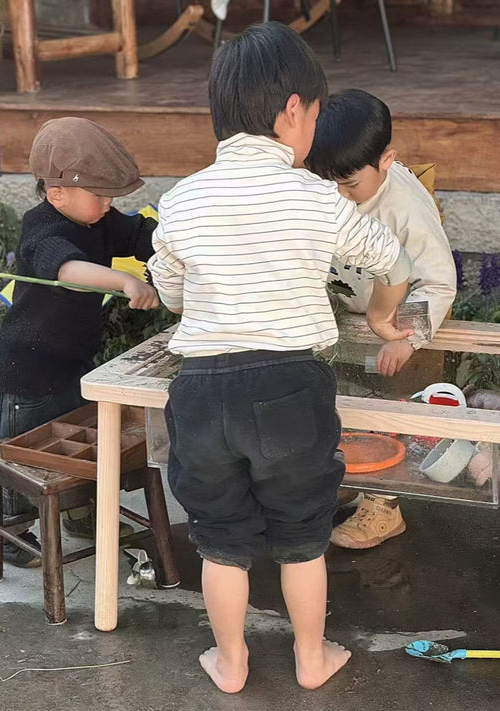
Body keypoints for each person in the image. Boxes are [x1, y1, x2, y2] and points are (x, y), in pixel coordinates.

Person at [148, 22, 413, 693]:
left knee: (220, 537)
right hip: (290, 385)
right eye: (316, 116)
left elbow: (170, 290)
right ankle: (310, 657)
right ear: (293, 110)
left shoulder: (180, 201)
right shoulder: (316, 197)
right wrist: (382, 317)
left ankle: (231, 661)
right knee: (301, 534)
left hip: (203, 389)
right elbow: (394, 261)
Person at [0, 117, 159, 568]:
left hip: (73, 361)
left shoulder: (99, 218)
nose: (107, 204)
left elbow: (139, 235)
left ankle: (80, 513)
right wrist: (124, 280)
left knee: (78, 444)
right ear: (57, 193)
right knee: (23, 455)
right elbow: (67, 270)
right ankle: (13, 532)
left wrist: (171, 247)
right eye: (99, 195)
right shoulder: (42, 227)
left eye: (111, 196)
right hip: (26, 368)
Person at [306, 89, 457, 550]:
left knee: (391, 414)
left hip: (400, 323)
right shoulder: (330, 185)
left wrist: (405, 338)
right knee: (337, 407)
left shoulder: (406, 206)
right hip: (346, 319)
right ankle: (347, 478)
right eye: (328, 182)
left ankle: (384, 507)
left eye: (350, 185)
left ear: (386, 160)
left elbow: (437, 283)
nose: (339, 194)